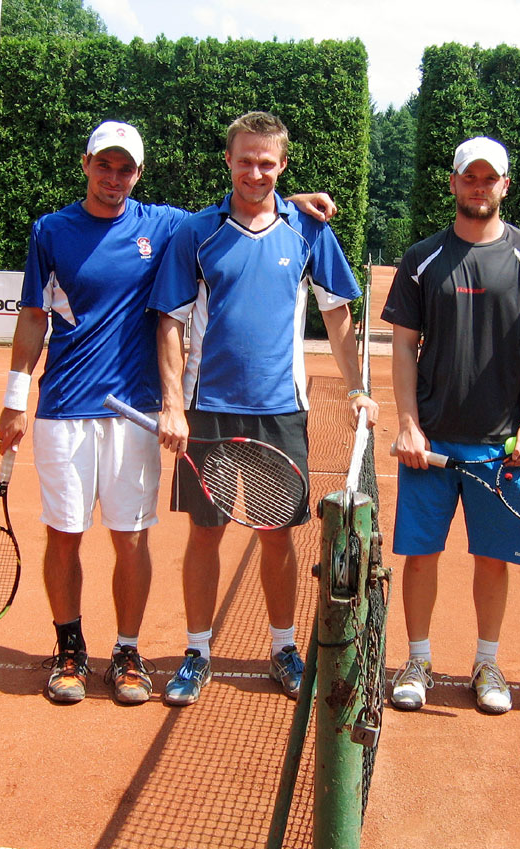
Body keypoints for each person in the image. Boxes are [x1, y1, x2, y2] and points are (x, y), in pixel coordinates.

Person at [0, 120, 335, 706]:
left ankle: (127, 652)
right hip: (63, 408)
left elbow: (244, 206)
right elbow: (33, 318)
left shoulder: (166, 224)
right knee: (65, 535)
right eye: (104, 165)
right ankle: (70, 648)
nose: (114, 177)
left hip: (137, 410)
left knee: (131, 539)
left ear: (139, 173)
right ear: (86, 164)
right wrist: (13, 399)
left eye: (125, 168)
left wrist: (291, 199)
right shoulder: (50, 230)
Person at [149, 111, 378, 707]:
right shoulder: (196, 233)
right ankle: (197, 652)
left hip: (281, 412)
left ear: (283, 165)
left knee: (278, 535)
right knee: (206, 532)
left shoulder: (308, 232)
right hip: (208, 409)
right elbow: (170, 323)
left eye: (267, 163)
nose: (256, 173)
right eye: (245, 161)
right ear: (228, 161)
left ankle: (282, 648)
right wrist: (173, 405)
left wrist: (356, 389)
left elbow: (337, 313)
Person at [381, 136, 520, 715]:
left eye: (489, 178)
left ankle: (487, 663)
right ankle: (417, 661)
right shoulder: (422, 258)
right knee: (421, 556)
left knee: (493, 558)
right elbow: (403, 346)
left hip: (502, 447)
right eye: (470, 177)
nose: (479, 186)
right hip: (430, 442)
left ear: (504, 185)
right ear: (454, 182)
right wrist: (408, 424)